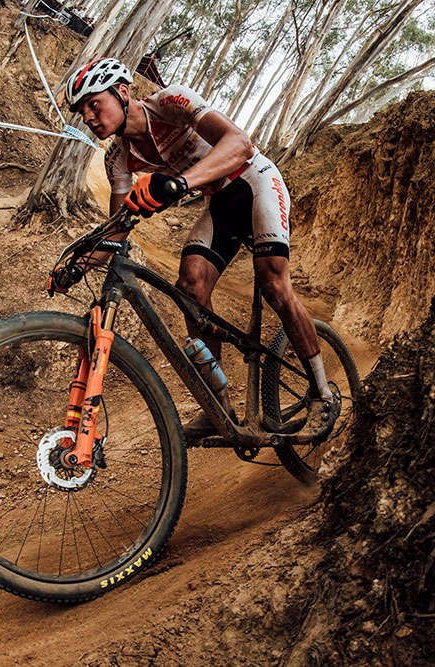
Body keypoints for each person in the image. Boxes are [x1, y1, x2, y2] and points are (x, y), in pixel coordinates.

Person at [59, 57, 337, 440]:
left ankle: (323, 392)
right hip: (220, 203)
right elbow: (118, 228)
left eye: (94, 103)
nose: (89, 116)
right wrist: (79, 266)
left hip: (255, 182)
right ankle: (217, 406)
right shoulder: (117, 157)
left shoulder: (172, 101)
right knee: (190, 286)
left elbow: (239, 145)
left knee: (273, 283)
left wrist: (178, 184)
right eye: (81, 111)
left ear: (123, 93)